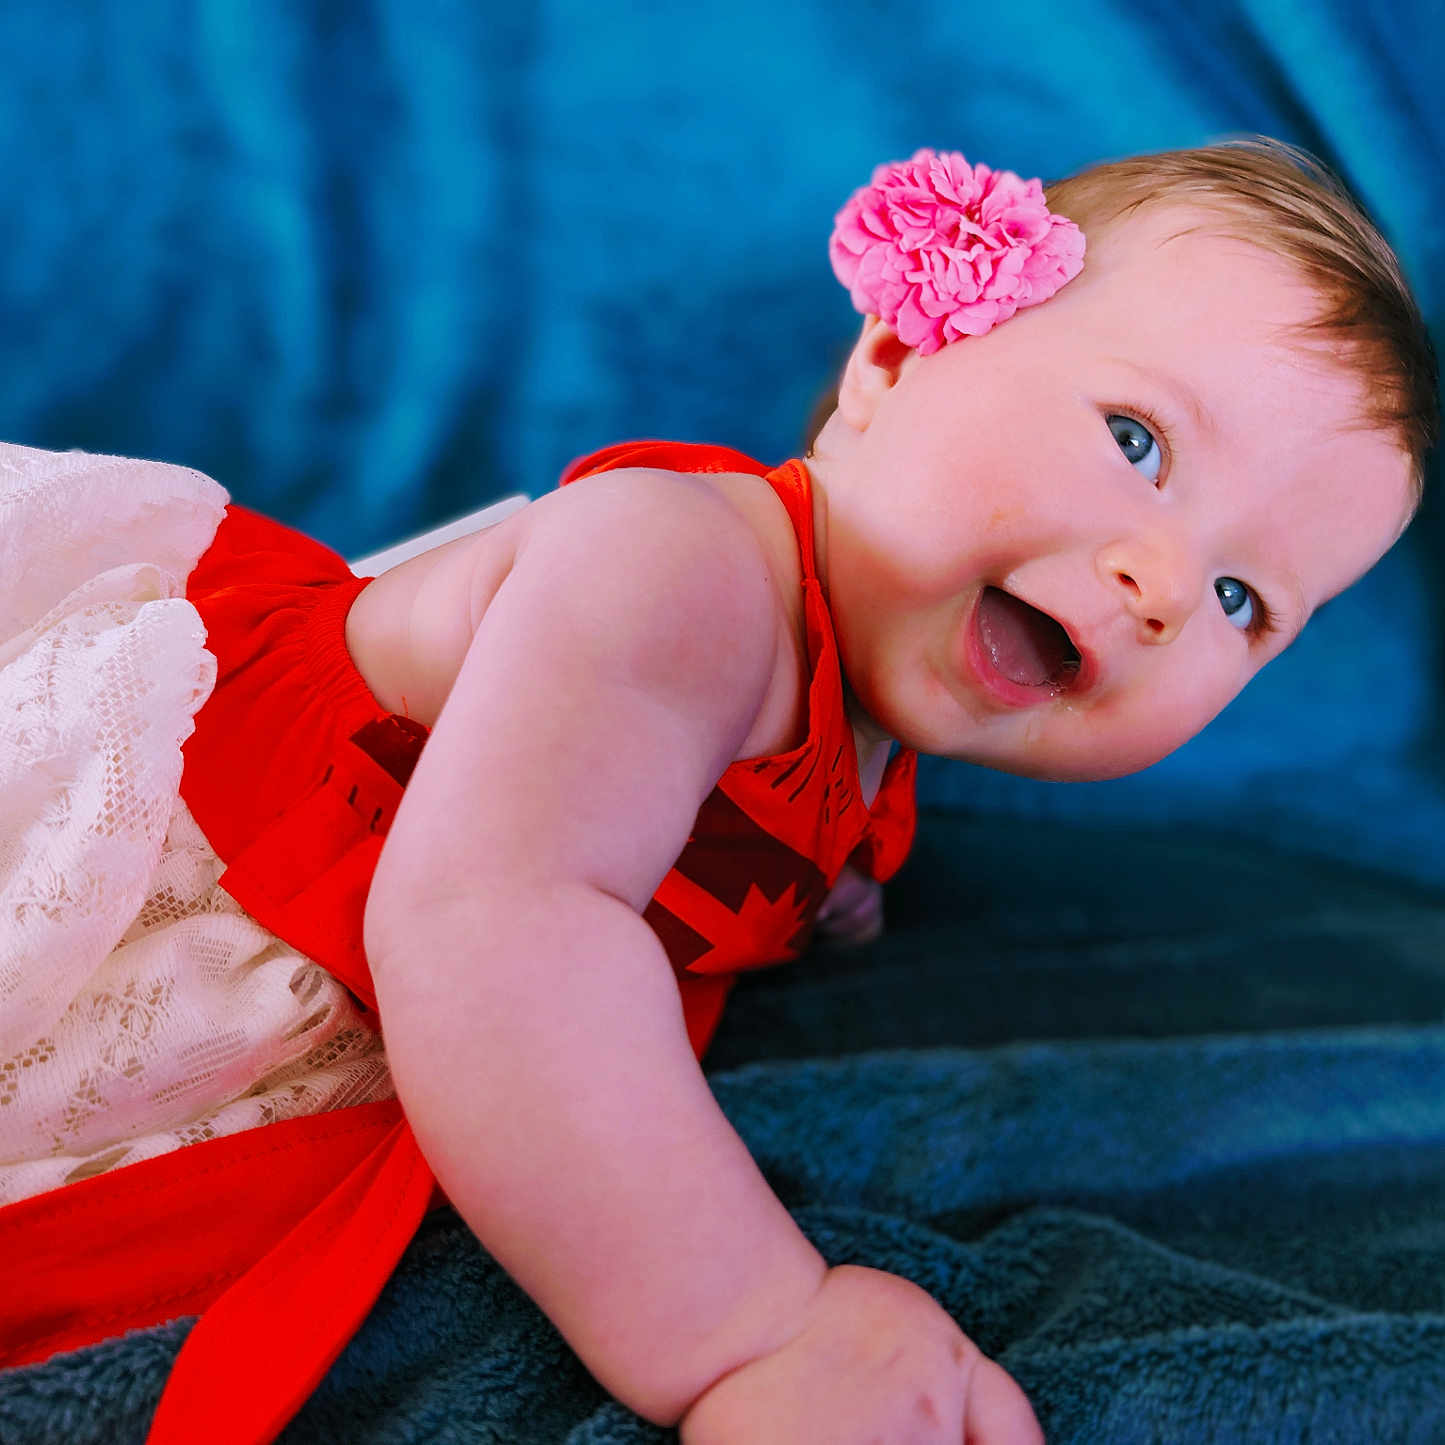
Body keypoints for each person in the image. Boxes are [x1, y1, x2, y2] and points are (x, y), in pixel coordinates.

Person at [0, 137, 1435, 1445]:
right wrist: (754, 1327)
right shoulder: (677, 570)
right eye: (1135, 441)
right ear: (890, 357)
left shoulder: (880, 694)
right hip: (208, 859)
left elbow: (754, 815)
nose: (1167, 585)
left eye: (1248, 596)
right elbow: (488, 928)